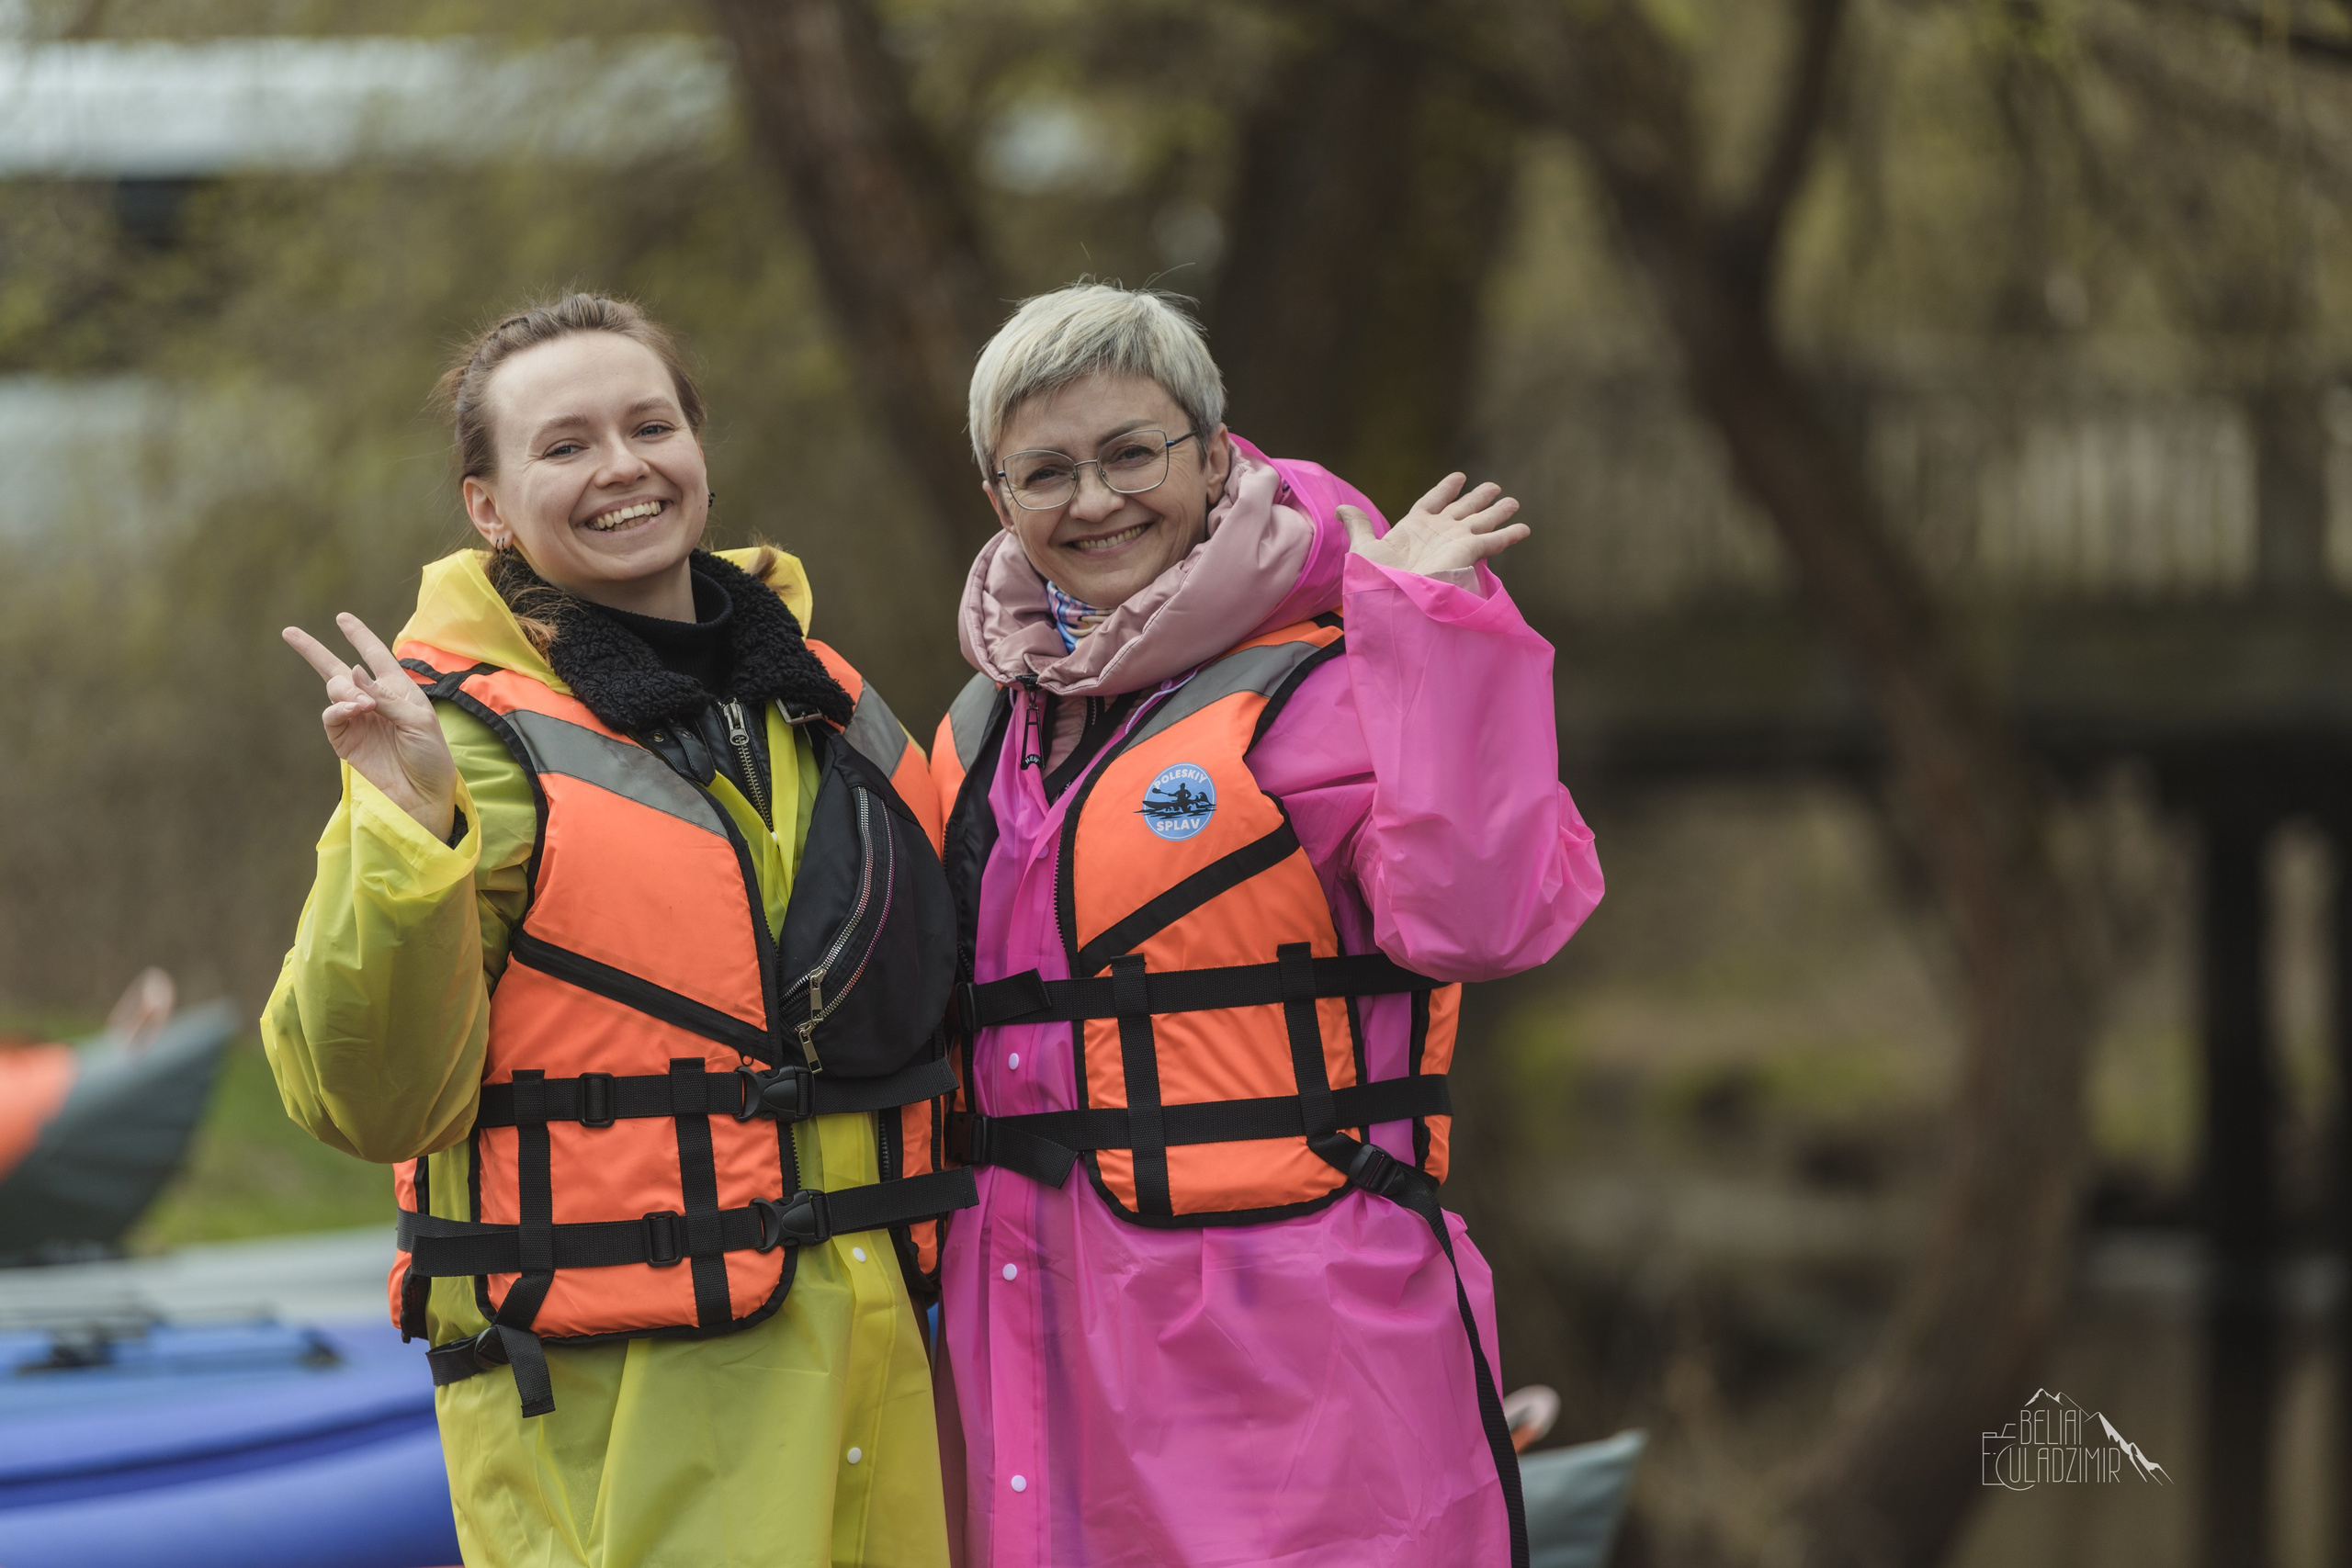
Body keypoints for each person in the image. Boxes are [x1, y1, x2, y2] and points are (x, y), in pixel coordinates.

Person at [262, 293, 969, 1567]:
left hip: (883, 1367)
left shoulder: (835, 706)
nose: (624, 468)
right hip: (611, 1392)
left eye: (652, 424)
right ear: (487, 506)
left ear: (700, 448)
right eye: (566, 444)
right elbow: (362, 1102)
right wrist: (407, 832)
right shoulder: (445, 748)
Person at [927, 282, 1606, 1567]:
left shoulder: (1343, 671)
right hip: (1026, 1323)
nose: (1096, 500)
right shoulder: (980, 731)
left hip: (1289, 1348)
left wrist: (1425, 633)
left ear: (1214, 452)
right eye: (1047, 471)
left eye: (1133, 453)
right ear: (998, 500)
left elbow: (1486, 917)